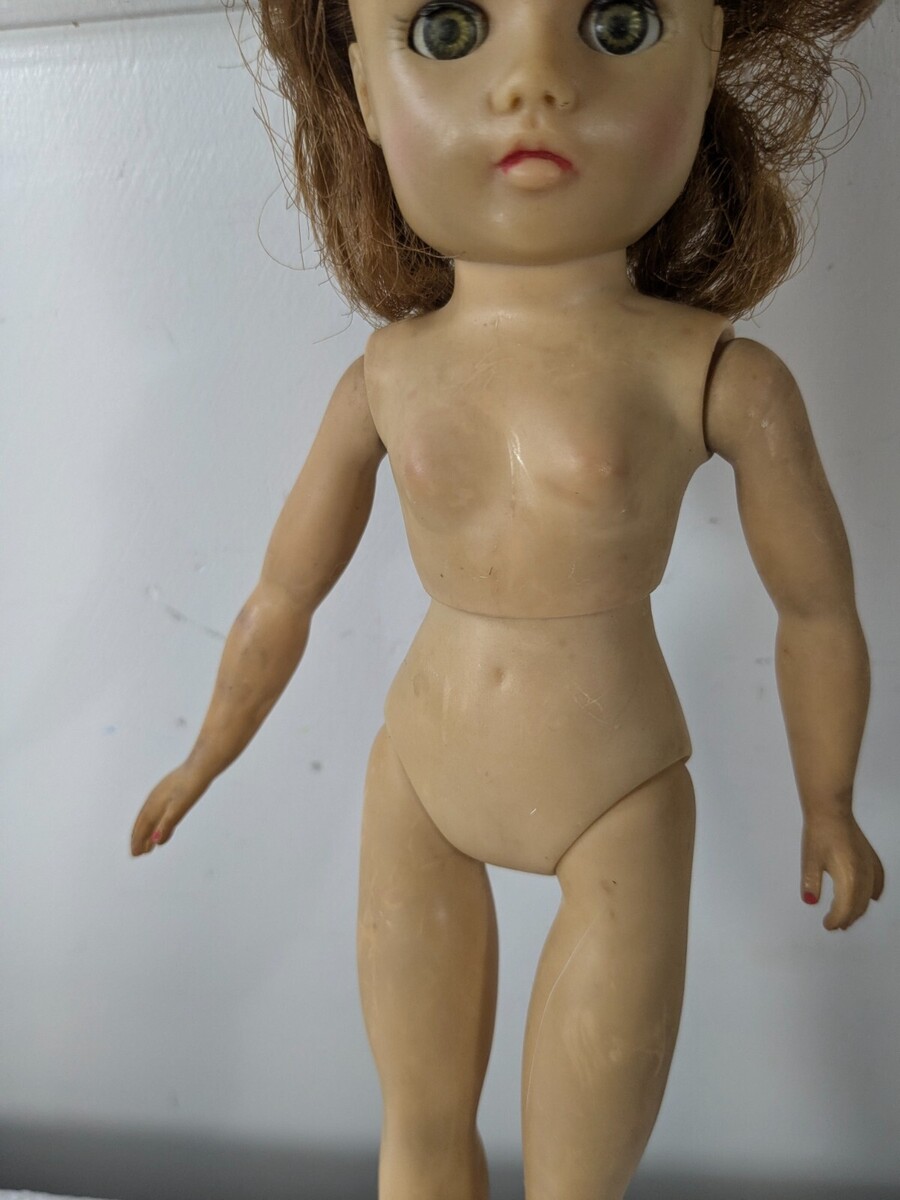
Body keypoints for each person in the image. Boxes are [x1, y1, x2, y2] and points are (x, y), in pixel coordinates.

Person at [132, 2, 886, 1196]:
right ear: (364, 91)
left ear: (708, 58)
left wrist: (830, 801)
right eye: (448, 29)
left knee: (578, 1180)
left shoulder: (716, 375)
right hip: (422, 773)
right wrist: (203, 756)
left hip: (617, 789)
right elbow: (285, 592)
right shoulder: (387, 375)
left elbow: (816, 608)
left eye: (619, 22)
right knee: (420, 1133)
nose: (535, 80)